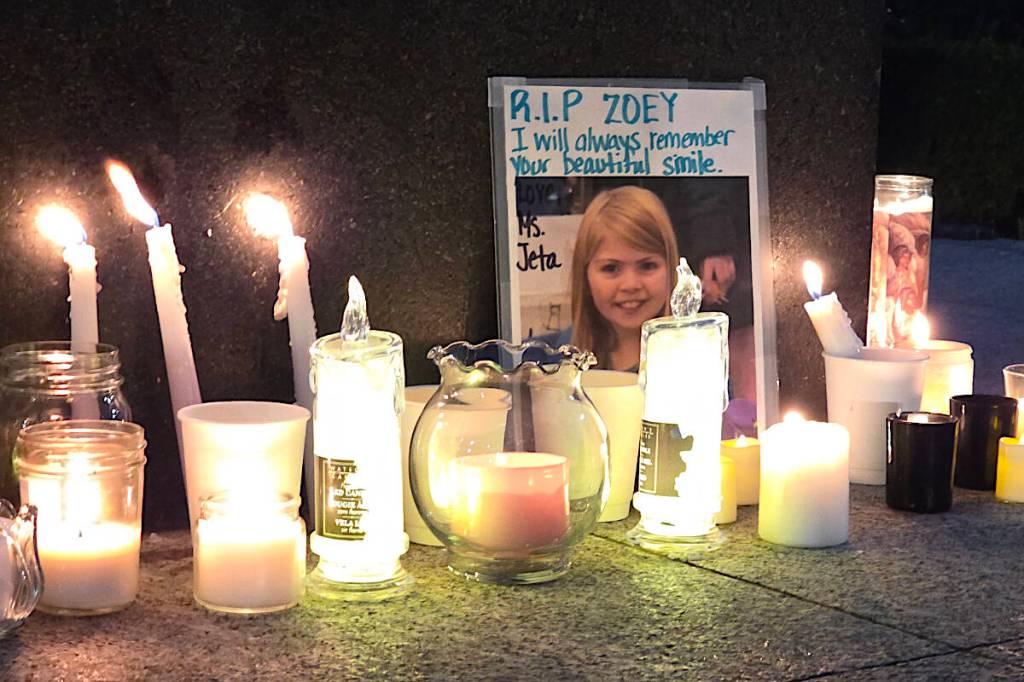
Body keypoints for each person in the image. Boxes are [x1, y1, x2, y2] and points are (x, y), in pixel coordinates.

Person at [569, 186, 679, 371]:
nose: (631, 285)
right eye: (611, 268)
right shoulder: (551, 360)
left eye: (647, 266)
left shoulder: (700, 363)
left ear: (671, 269)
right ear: (584, 275)